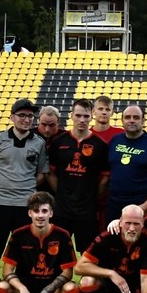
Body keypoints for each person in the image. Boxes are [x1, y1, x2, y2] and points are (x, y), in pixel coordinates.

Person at [0, 192, 80, 293]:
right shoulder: (18, 235)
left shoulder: (62, 235)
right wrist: (21, 289)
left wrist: (46, 291)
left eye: (44, 211)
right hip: (25, 289)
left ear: (51, 213)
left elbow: (68, 272)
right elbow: (7, 271)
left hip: (52, 290)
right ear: (29, 213)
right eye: (36, 211)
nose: (40, 215)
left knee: (73, 290)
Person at [0, 98, 49, 254]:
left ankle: (20, 279)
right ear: (12, 117)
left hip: (25, 204)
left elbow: (42, 173)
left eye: (30, 116)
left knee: (25, 249)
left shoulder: (39, 142)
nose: (26, 120)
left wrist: (27, 186)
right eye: (22, 115)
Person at [48, 98, 109, 254]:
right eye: (78, 115)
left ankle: (87, 280)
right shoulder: (58, 142)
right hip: (62, 208)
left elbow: (104, 178)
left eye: (86, 116)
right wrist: (62, 193)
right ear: (71, 115)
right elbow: (51, 173)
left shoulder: (100, 145)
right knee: (57, 250)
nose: (82, 120)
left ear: (92, 116)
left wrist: (92, 197)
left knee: (88, 252)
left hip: (87, 210)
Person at [106, 105, 147, 222]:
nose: (131, 120)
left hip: (142, 205)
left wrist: (146, 207)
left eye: (136, 117)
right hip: (114, 206)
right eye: (127, 117)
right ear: (122, 120)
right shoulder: (115, 141)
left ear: (143, 120)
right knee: (113, 240)